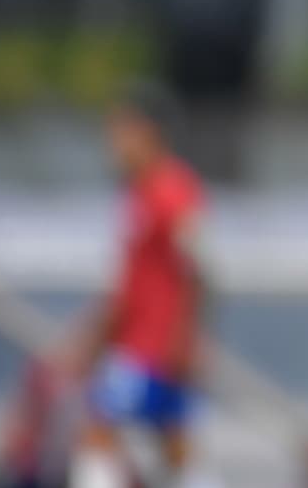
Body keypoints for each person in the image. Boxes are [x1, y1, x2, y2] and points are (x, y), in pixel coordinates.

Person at [62, 83, 208, 488]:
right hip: (143, 343)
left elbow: (197, 268)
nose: (113, 144)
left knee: (97, 432)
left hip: (150, 347)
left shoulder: (173, 191)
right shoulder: (140, 192)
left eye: (120, 133)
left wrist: (186, 338)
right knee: (174, 447)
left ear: (148, 133)